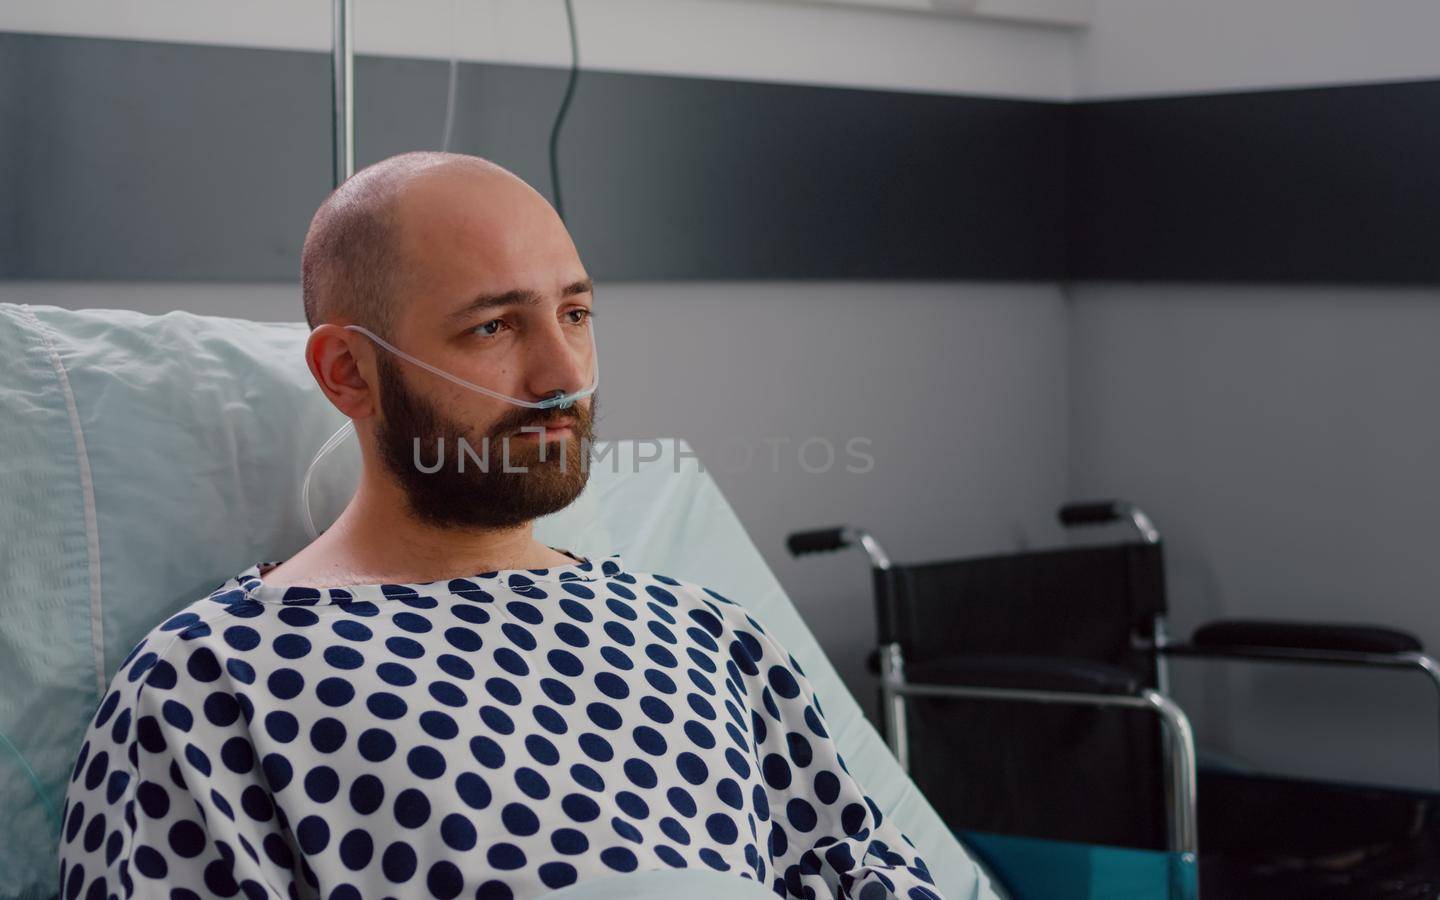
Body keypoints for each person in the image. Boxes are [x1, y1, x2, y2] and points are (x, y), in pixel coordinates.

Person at [57, 151, 941, 900]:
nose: (563, 372)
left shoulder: (704, 633)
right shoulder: (215, 686)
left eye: (577, 314)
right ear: (349, 374)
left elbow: (864, 869)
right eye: (493, 326)